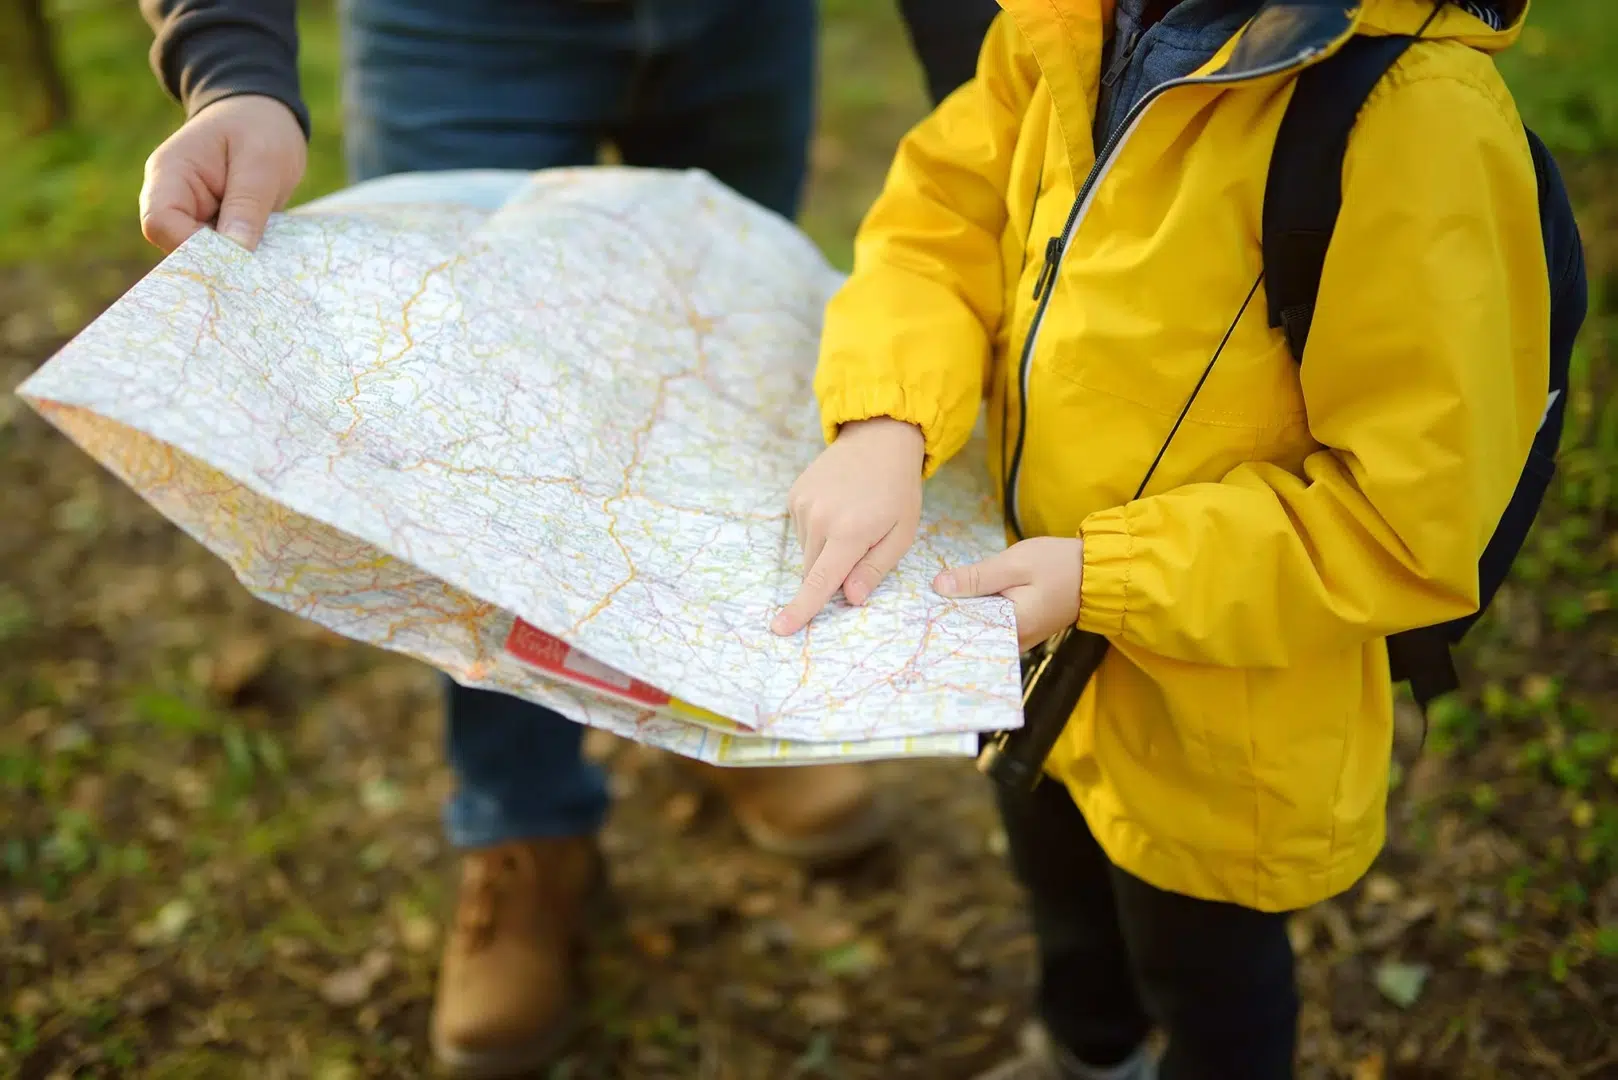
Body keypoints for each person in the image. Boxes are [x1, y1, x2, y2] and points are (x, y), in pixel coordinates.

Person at [135, 0, 998, 1076]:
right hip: (455, 29)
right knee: (467, 427)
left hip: (746, 25)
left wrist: (998, 81)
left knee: (730, 361)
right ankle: (524, 829)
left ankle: (709, 706)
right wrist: (232, 67)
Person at [775, 0, 1549, 1077]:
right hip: (1035, 645)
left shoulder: (1411, 118)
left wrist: (1106, 575)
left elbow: (1407, 519)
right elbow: (940, 217)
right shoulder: (1064, 22)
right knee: (1058, 890)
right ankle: (1087, 1054)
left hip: (1220, 706)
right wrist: (885, 419)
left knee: (1206, 972)